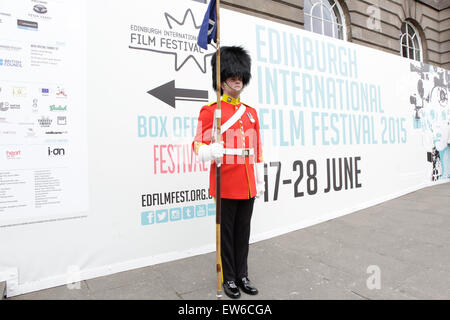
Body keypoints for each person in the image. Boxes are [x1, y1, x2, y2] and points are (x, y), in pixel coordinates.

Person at [192, 46, 265, 299]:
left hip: (247, 184)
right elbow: (197, 146)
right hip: (225, 183)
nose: (237, 79)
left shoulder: (251, 113)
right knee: (227, 234)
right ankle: (229, 278)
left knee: (243, 232)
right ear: (221, 80)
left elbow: (256, 149)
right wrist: (210, 151)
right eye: (232, 75)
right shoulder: (211, 111)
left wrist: (259, 178)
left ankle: (243, 275)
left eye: (240, 76)